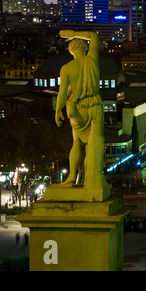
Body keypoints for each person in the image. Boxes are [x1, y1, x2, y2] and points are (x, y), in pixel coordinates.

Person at [55, 30, 109, 194]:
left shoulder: (66, 68)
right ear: (85, 49)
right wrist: (74, 33)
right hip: (95, 106)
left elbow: (63, 93)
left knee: (77, 143)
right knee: (96, 142)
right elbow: (94, 36)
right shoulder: (92, 60)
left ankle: (72, 176)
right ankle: (95, 175)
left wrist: (58, 110)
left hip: (78, 109)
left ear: (71, 50)